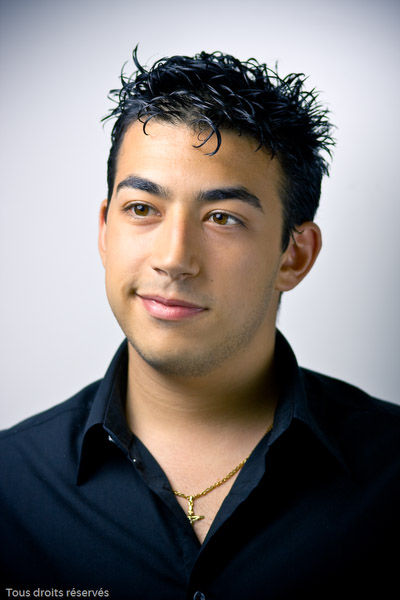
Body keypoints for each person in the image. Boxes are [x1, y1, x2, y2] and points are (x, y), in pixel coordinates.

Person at [1, 48, 399, 600]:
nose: (174, 258)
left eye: (222, 218)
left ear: (294, 255)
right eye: (143, 208)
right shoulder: (11, 484)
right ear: (105, 231)